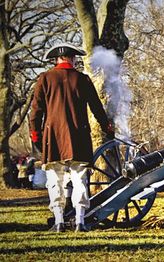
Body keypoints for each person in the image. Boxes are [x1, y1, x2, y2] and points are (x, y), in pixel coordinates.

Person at [30, 43, 114, 232]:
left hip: (53, 138)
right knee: (80, 180)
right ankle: (79, 221)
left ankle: (59, 222)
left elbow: (36, 111)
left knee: (55, 181)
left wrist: (36, 135)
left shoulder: (45, 78)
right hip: (79, 137)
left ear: (57, 59)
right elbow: (96, 107)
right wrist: (106, 127)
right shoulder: (82, 79)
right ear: (72, 58)